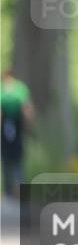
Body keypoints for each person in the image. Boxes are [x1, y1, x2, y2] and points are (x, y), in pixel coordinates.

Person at [1, 69, 34, 200]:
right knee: (16, 158)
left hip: (9, 125)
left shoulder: (4, 89)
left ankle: (11, 190)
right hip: (15, 125)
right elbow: (27, 109)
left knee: (8, 158)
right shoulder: (20, 89)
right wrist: (28, 127)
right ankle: (17, 188)